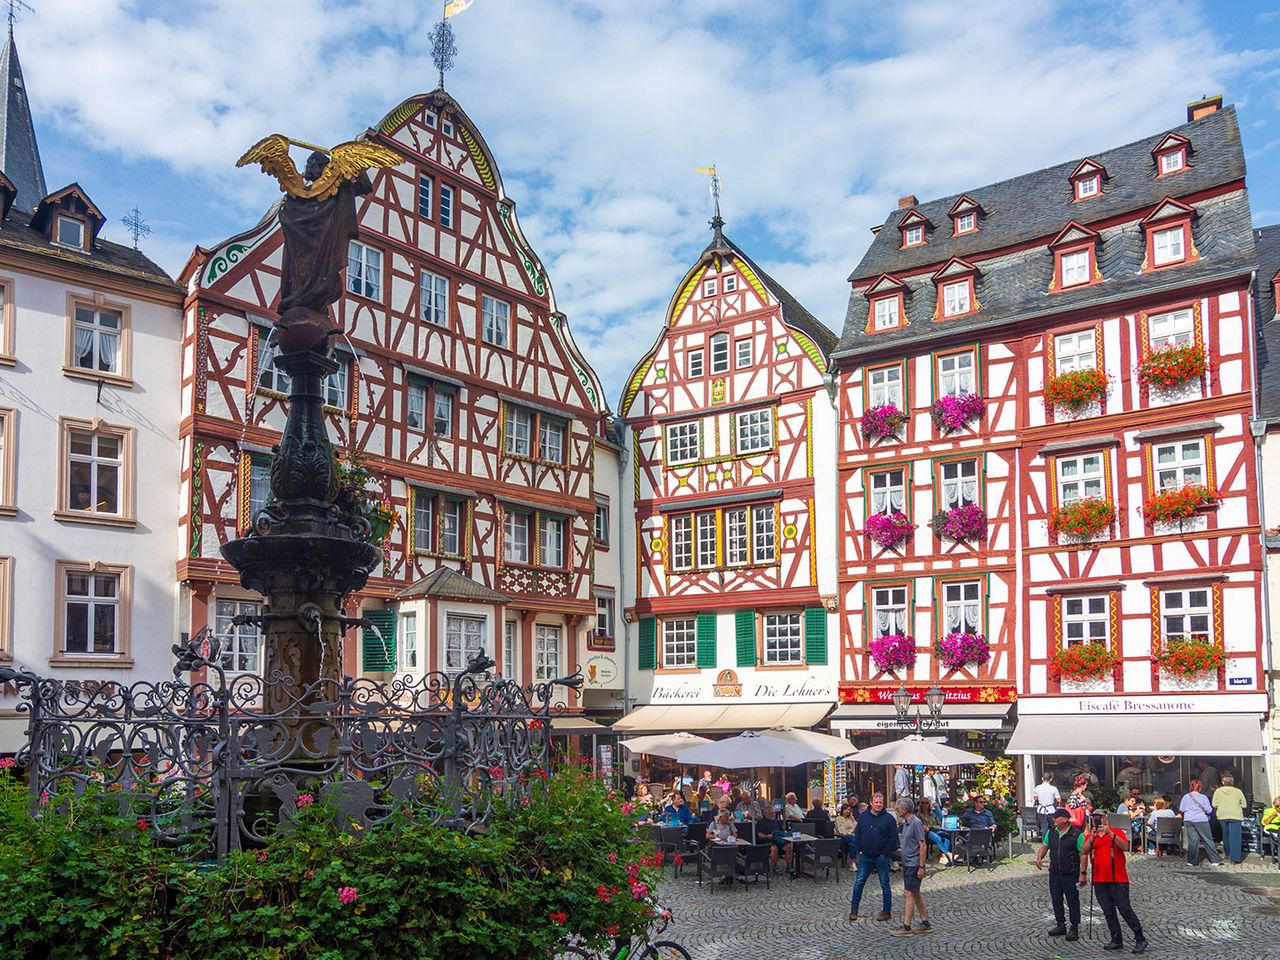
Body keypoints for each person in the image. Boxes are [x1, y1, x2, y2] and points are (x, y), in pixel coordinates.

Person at [1080, 811, 1148, 953]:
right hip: (1099, 879)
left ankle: (1140, 937)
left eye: (1100, 818)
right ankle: (1116, 939)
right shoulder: (1091, 836)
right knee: (1108, 911)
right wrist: (1092, 837)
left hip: (1118, 878)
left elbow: (1125, 846)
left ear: (1106, 819)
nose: (1097, 820)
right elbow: (1084, 851)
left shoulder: (1116, 832)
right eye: (1094, 818)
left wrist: (1110, 833)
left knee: (1125, 909)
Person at [847, 792, 898, 922]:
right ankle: (854, 911)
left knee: (885, 884)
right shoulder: (863, 817)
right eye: (876, 802)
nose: (878, 805)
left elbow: (894, 839)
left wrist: (885, 853)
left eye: (880, 802)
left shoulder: (889, 819)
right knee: (859, 883)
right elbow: (857, 834)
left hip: (882, 857)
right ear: (871, 803)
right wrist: (859, 849)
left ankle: (886, 911)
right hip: (865, 856)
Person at [1034, 808, 1082, 941]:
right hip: (1054, 872)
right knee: (1056, 899)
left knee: (1072, 900)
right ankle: (1060, 924)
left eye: (1056, 817)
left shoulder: (1077, 835)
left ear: (1065, 819)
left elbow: (1084, 853)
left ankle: (1074, 927)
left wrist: (1083, 872)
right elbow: (1045, 846)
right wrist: (1039, 858)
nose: (1053, 819)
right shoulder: (1052, 832)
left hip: (1070, 872)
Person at [890, 798, 932, 936]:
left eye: (898, 809)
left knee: (908, 893)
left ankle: (906, 927)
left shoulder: (915, 823)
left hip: (913, 864)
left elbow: (923, 845)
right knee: (915, 892)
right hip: (908, 863)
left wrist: (921, 866)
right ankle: (925, 922)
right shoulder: (907, 823)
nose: (897, 811)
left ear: (903, 809)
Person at [1179, 779, 1223, 866]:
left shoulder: (1186, 797)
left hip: (1189, 819)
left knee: (1193, 841)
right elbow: (1209, 810)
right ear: (1200, 788)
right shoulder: (1203, 797)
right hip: (1201, 820)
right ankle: (1215, 859)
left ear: (1191, 787)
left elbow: (1182, 809)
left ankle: (1192, 861)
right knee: (1207, 839)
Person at [1212, 773, 1248, 864]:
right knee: (1235, 836)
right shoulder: (1238, 791)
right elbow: (1244, 804)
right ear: (1232, 782)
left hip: (1222, 815)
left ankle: (1227, 853)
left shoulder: (1218, 791)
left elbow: (1214, 804)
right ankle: (1234, 858)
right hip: (1235, 815)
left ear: (1223, 782)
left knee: (1226, 834)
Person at [755, 808, 792, 874]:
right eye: (771, 814)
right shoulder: (760, 822)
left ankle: (789, 866)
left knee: (789, 847)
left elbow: (782, 830)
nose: (773, 815)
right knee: (774, 848)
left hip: (778, 840)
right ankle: (775, 867)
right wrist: (767, 836)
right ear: (765, 814)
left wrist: (784, 834)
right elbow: (759, 834)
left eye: (773, 813)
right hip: (766, 841)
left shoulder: (776, 821)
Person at [918, 797, 952, 865]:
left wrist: (937, 809)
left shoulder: (932, 813)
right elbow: (918, 825)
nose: (924, 805)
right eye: (923, 803)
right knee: (937, 838)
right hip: (926, 832)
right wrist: (924, 826)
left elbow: (940, 822)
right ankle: (948, 853)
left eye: (926, 803)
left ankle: (943, 855)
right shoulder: (919, 814)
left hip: (935, 830)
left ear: (929, 804)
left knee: (947, 837)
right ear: (920, 804)